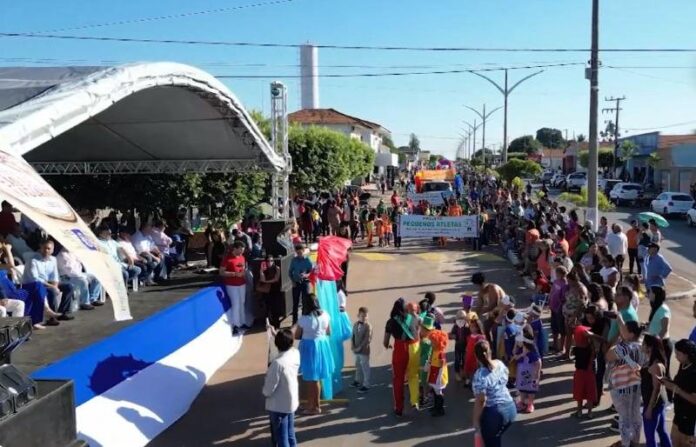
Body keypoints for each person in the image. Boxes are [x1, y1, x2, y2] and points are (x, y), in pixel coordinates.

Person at [606, 317, 644, 447]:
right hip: (637, 386)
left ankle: (626, 443)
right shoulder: (643, 345)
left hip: (622, 386)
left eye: (624, 330)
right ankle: (635, 442)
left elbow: (608, 355)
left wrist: (618, 342)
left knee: (624, 417)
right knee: (635, 413)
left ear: (631, 333)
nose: (622, 332)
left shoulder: (624, 347)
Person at [472, 340, 517, 447]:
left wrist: (475, 420)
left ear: (476, 356)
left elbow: (481, 400)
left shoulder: (480, 375)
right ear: (490, 351)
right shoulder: (500, 364)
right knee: (496, 436)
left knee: (491, 441)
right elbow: (506, 378)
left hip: (495, 414)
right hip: (510, 409)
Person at [295, 294, 333, 415]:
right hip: (322, 345)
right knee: (315, 378)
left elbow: (297, 335)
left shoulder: (304, 319)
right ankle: (313, 403)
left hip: (309, 347)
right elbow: (328, 332)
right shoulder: (325, 315)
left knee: (312, 379)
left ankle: (314, 406)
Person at [262, 328, 300, 447]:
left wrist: (265, 391)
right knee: (290, 433)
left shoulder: (277, 363)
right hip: (291, 402)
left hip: (278, 406)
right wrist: (276, 334)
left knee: (281, 438)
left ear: (277, 344)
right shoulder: (295, 353)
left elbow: (269, 389)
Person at [22, 239, 75, 322]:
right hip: (34, 285)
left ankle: (62, 312)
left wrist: (55, 285)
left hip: (47, 282)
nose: (46, 250)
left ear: (52, 250)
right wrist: (53, 287)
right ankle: (51, 318)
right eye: (44, 248)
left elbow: (55, 275)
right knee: (52, 291)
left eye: (49, 249)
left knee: (69, 287)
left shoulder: (53, 259)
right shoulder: (33, 260)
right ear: (40, 247)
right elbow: (35, 278)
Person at [384, 298, 420, 416]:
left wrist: (387, 345)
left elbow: (385, 341)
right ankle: (414, 402)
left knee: (398, 379)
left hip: (400, 349)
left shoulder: (391, 322)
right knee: (413, 376)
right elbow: (419, 328)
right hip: (414, 348)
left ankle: (399, 408)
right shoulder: (414, 317)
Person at [662, 339, 696, 447]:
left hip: (690, 419)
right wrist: (666, 381)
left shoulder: (694, 372)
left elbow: (694, 399)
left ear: (687, 355)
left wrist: (676, 389)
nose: (675, 356)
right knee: (674, 440)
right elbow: (678, 383)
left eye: (678, 354)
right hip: (679, 414)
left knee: (685, 444)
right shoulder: (683, 364)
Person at [640, 334, 671, 447]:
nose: (641, 346)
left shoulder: (656, 365)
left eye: (643, 344)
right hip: (659, 403)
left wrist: (649, 409)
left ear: (650, 347)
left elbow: (656, 388)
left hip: (653, 404)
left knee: (650, 437)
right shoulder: (655, 362)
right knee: (662, 432)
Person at [220, 241, 247, 334]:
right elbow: (222, 272)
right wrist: (234, 274)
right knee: (236, 304)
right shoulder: (227, 259)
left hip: (242, 283)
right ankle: (235, 325)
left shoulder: (242, 257)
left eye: (242, 251)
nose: (241, 253)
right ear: (235, 248)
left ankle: (242, 322)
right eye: (240, 250)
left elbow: (243, 268)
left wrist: (243, 273)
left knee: (242, 303)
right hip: (232, 285)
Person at [513, 328, 542, 414]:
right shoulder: (521, 349)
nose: (518, 342)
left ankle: (530, 404)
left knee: (531, 390)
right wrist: (516, 345)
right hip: (522, 374)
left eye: (519, 341)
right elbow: (514, 354)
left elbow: (538, 362)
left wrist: (536, 374)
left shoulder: (532, 352)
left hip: (531, 374)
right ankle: (522, 402)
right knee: (522, 389)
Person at [647, 286, 673, 378]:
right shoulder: (655, 307)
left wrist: (657, 342)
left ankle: (669, 392)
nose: (648, 294)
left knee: (664, 373)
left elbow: (664, 329)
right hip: (655, 343)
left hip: (662, 345)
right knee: (653, 371)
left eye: (650, 292)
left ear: (655, 294)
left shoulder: (663, 309)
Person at [572, 324, 597, 419]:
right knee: (590, 394)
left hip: (579, 372)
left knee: (579, 393)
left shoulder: (576, 349)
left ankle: (579, 412)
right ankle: (590, 413)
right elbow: (594, 350)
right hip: (590, 373)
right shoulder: (591, 348)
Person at [288, 244, 313, 325]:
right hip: (296, 284)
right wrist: (292, 281)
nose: (299, 254)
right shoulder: (294, 260)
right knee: (295, 303)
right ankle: (294, 322)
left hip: (305, 283)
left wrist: (306, 275)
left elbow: (312, 272)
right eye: (297, 253)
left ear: (303, 251)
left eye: (300, 253)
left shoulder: (307, 260)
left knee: (305, 302)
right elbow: (290, 272)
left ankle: (303, 321)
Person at [351, 306, 372, 393]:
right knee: (358, 365)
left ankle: (366, 384)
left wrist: (360, 347)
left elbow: (367, 339)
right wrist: (352, 345)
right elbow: (353, 336)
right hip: (356, 349)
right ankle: (357, 380)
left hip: (364, 350)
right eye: (362, 316)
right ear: (358, 315)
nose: (364, 318)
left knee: (365, 367)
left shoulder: (368, 326)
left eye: (366, 316)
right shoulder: (355, 324)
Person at [259, 255, 282, 328]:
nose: (270, 262)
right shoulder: (264, 269)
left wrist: (266, 281)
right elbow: (262, 279)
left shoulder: (277, 268)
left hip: (275, 290)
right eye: (268, 261)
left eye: (271, 260)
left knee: (276, 308)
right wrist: (261, 271)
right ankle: (269, 324)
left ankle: (276, 324)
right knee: (268, 308)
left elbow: (276, 279)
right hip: (266, 291)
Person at [450, 309, 470, 382]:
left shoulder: (467, 326)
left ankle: (464, 372)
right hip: (458, 345)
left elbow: (470, 335)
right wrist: (452, 336)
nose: (461, 320)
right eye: (460, 318)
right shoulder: (455, 326)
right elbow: (452, 334)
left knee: (465, 359)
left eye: (463, 318)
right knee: (457, 360)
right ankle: (457, 373)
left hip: (465, 345)